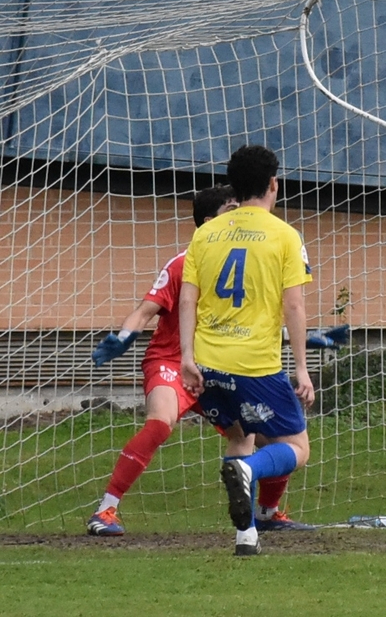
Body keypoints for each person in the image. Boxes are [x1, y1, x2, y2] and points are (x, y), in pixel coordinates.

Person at [87, 186, 345, 536]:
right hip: (173, 361)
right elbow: (145, 310)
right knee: (161, 423)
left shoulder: (244, 258)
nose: (240, 215)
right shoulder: (186, 261)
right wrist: (123, 337)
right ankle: (105, 510)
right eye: (231, 209)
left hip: (216, 366)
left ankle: (264, 515)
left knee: (264, 438)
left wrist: (308, 337)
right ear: (209, 222)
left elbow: (248, 322)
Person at [180, 145, 314, 556]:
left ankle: (246, 536)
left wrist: (186, 357)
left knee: (241, 436)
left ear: (234, 186)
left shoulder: (206, 232)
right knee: (297, 447)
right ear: (274, 184)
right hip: (254, 365)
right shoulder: (285, 236)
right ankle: (249, 470)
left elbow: (188, 300)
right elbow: (293, 306)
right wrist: (303, 369)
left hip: (206, 363)